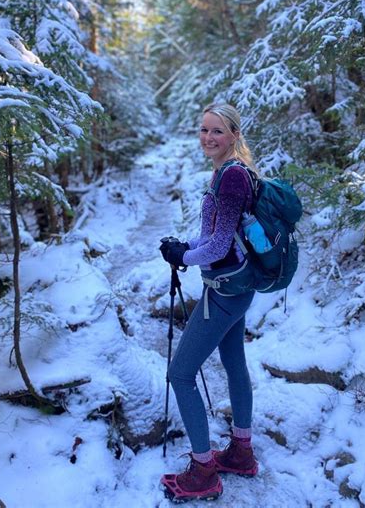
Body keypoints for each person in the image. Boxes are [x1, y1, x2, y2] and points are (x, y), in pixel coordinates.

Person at [159, 102, 259, 503]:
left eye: (216, 131)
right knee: (234, 363)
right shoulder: (228, 172)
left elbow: (218, 245)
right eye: (203, 130)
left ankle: (203, 472)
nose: (207, 137)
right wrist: (185, 246)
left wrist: (184, 257)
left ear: (234, 135)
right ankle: (241, 452)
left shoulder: (232, 177)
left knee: (180, 375)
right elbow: (218, 237)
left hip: (226, 291)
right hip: (236, 286)